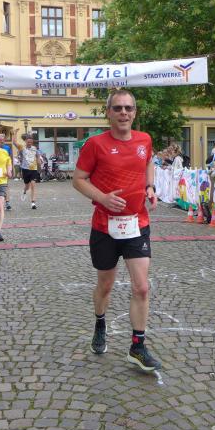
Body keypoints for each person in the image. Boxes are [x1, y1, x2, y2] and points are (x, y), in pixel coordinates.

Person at [72, 89, 161, 371]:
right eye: (118, 108)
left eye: (128, 108)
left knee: (142, 287)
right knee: (106, 285)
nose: (124, 113)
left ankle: (137, 347)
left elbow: (148, 161)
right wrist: (102, 198)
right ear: (108, 112)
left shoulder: (144, 139)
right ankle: (100, 323)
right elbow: (78, 179)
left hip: (137, 224)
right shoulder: (95, 144)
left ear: (134, 112)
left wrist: (150, 187)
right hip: (104, 227)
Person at [20, 134, 41, 209]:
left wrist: (39, 167)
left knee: (33, 185)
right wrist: (15, 133)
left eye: (31, 142)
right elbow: (15, 143)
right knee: (27, 186)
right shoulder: (22, 148)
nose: (30, 143)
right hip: (25, 169)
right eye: (28, 142)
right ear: (25, 141)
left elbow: (38, 157)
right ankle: (24, 191)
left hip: (33, 169)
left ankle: (33, 203)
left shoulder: (35, 149)